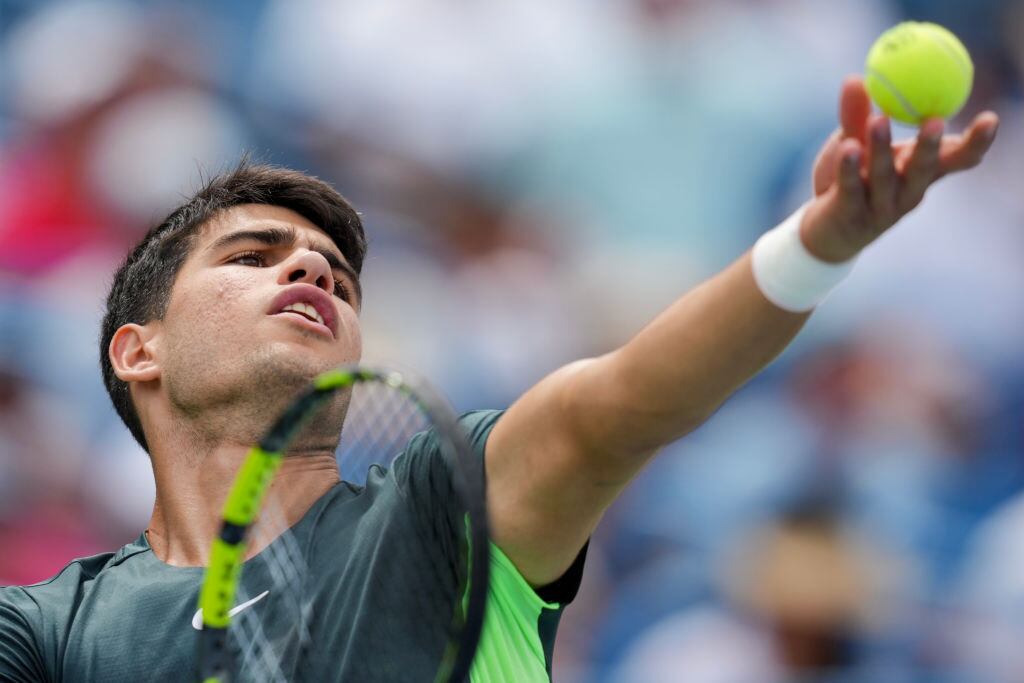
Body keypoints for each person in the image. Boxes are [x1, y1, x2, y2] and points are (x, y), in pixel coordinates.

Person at [0, 77, 999, 681]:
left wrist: (815, 245)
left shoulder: (448, 509)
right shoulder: (49, 631)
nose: (310, 272)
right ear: (141, 349)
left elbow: (620, 405)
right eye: (252, 256)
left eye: (336, 275)